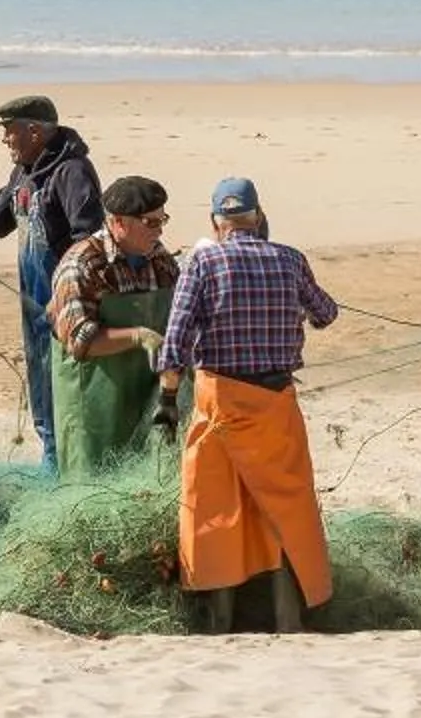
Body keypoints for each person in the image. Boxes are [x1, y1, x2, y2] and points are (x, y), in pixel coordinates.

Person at [157, 176, 337, 633]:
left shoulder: (202, 262)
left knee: (215, 511)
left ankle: (220, 623)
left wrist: (167, 398)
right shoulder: (290, 260)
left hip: (220, 407)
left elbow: (176, 338)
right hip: (276, 407)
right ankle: (288, 621)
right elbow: (326, 313)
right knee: (284, 511)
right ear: (258, 217)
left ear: (216, 222)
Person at [0, 94, 102, 468]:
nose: (5, 139)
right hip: (33, 302)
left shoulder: (72, 172)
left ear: (34, 131)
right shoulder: (25, 174)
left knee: (64, 383)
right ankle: (49, 453)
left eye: (10, 130)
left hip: (64, 304)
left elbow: (89, 240)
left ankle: (63, 463)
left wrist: (70, 296)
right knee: (39, 375)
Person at [44, 174, 180, 478]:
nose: (159, 231)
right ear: (118, 222)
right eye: (150, 223)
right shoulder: (81, 265)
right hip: (92, 407)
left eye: (162, 221)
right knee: (89, 485)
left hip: (141, 399)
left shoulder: (159, 259)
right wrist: (138, 336)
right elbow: (79, 340)